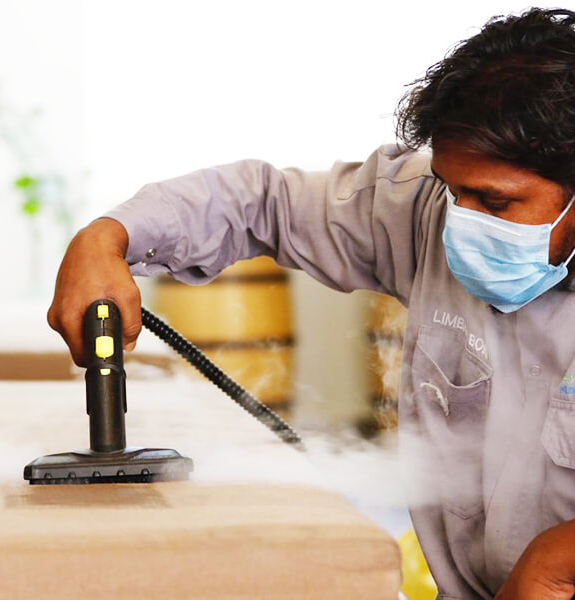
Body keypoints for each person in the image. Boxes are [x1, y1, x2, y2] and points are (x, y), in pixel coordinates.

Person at [47, 8, 575, 600]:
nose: (460, 224)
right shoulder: (424, 209)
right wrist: (107, 236)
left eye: (496, 205)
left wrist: (558, 559)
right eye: (453, 191)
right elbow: (262, 202)